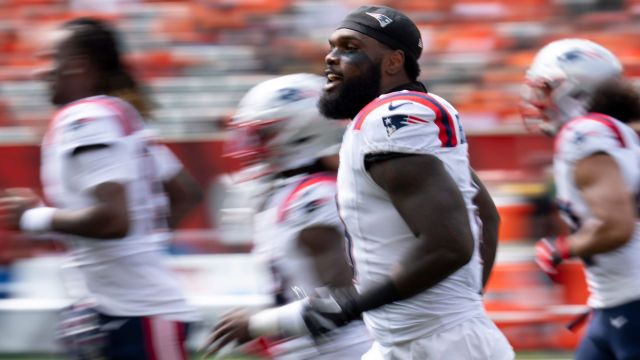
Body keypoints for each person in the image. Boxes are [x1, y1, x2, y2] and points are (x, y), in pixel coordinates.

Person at [205, 5, 513, 360]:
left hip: (437, 345)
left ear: (393, 62)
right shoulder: (383, 118)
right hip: (409, 341)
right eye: (333, 47)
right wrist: (465, 303)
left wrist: (352, 305)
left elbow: (450, 244)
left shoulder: (390, 118)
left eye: (350, 48)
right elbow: (485, 215)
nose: (331, 58)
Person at [0, 18, 201, 359]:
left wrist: (34, 218)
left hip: (137, 315)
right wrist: (139, 252)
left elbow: (113, 220)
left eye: (48, 58)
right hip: (127, 308)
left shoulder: (85, 118)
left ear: (77, 64)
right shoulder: (118, 113)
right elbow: (184, 193)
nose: (39, 72)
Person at [202, 73, 372, 359]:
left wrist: (260, 323)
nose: (250, 146)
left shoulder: (313, 197)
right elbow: (301, 291)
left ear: (302, 131)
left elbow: (341, 301)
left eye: (263, 134)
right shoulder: (290, 193)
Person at [523, 38, 640, 359]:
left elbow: (616, 228)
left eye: (545, 89)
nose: (537, 100)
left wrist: (559, 248)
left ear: (574, 91)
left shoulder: (585, 133)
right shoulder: (617, 132)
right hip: (612, 302)